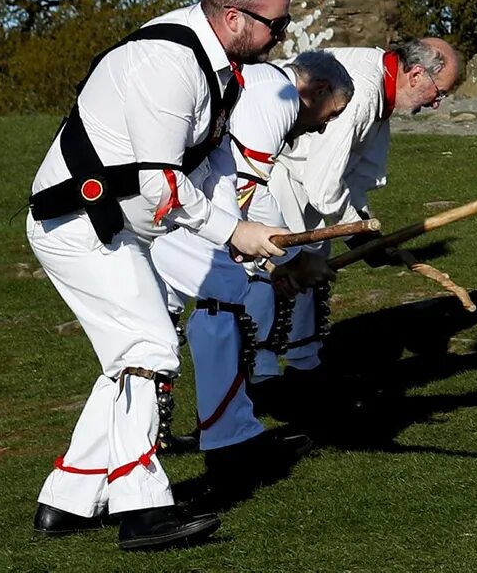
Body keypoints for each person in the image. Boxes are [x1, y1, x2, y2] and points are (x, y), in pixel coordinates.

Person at [24, 0, 290, 552]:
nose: (284, 37)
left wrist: (258, 240)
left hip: (114, 229)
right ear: (233, 18)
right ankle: (143, 508)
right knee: (149, 346)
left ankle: (68, 496)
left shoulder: (221, 69)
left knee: (131, 351)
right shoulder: (168, 63)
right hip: (78, 222)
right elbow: (161, 187)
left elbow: (213, 171)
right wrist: (234, 233)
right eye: (278, 25)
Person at [149, 52, 348, 491]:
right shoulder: (275, 99)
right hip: (160, 208)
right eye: (329, 115)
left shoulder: (258, 86)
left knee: (155, 326)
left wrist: (277, 255)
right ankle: (227, 445)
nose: (322, 128)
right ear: (315, 91)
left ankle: (139, 451)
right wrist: (291, 259)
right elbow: (245, 191)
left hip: (163, 205)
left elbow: (237, 187)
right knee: (225, 296)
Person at [258, 35, 463, 379]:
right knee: (279, 267)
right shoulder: (364, 92)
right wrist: (358, 237)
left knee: (314, 259)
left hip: (300, 175)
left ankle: (303, 365)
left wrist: (365, 226)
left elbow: (349, 174)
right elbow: (325, 187)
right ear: (415, 75)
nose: (436, 103)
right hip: (274, 170)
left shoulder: (382, 79)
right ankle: (261, 374)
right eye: (438, 93)